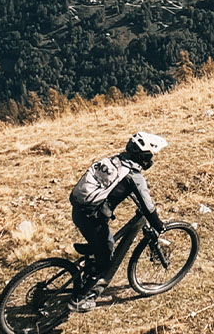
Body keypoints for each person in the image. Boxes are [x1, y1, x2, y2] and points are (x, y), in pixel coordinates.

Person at [69, 131, 167, 312]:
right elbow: (148, 207)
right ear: (143, 156)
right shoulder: (133, 176)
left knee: (99, 243)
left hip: (78, 211)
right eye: (150, 156)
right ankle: (82, 298)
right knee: (107, 255)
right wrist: (159, 226)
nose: (151, 161)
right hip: (92, 218)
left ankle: (90, 262)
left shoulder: (116, 160)